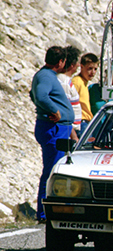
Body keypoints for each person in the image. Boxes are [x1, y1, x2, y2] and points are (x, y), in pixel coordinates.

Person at [30, 46, 74, 222]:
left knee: (55, 169)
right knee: (51, 171)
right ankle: (44, 213)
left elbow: (33, 95)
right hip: (53, 129)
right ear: (61, 62)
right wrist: (54, 111)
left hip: (56, 128)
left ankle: (49, 210)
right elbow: (40, 96)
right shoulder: (46, 76)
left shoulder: (44, 75)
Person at [57, 45, 81, 140]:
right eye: (78, 62)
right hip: (68, 133)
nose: (79, 65)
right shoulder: (64, 82)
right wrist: (74, 136)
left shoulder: (65, 80)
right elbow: (64, 111)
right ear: (72, 65)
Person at [73, 53, 99, 134]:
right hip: (80, 123)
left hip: (86, 123)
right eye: (90, 68)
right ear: (82, 67)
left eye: (95, 69)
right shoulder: (77, 82)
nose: (93, 72)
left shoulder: (84, 83)